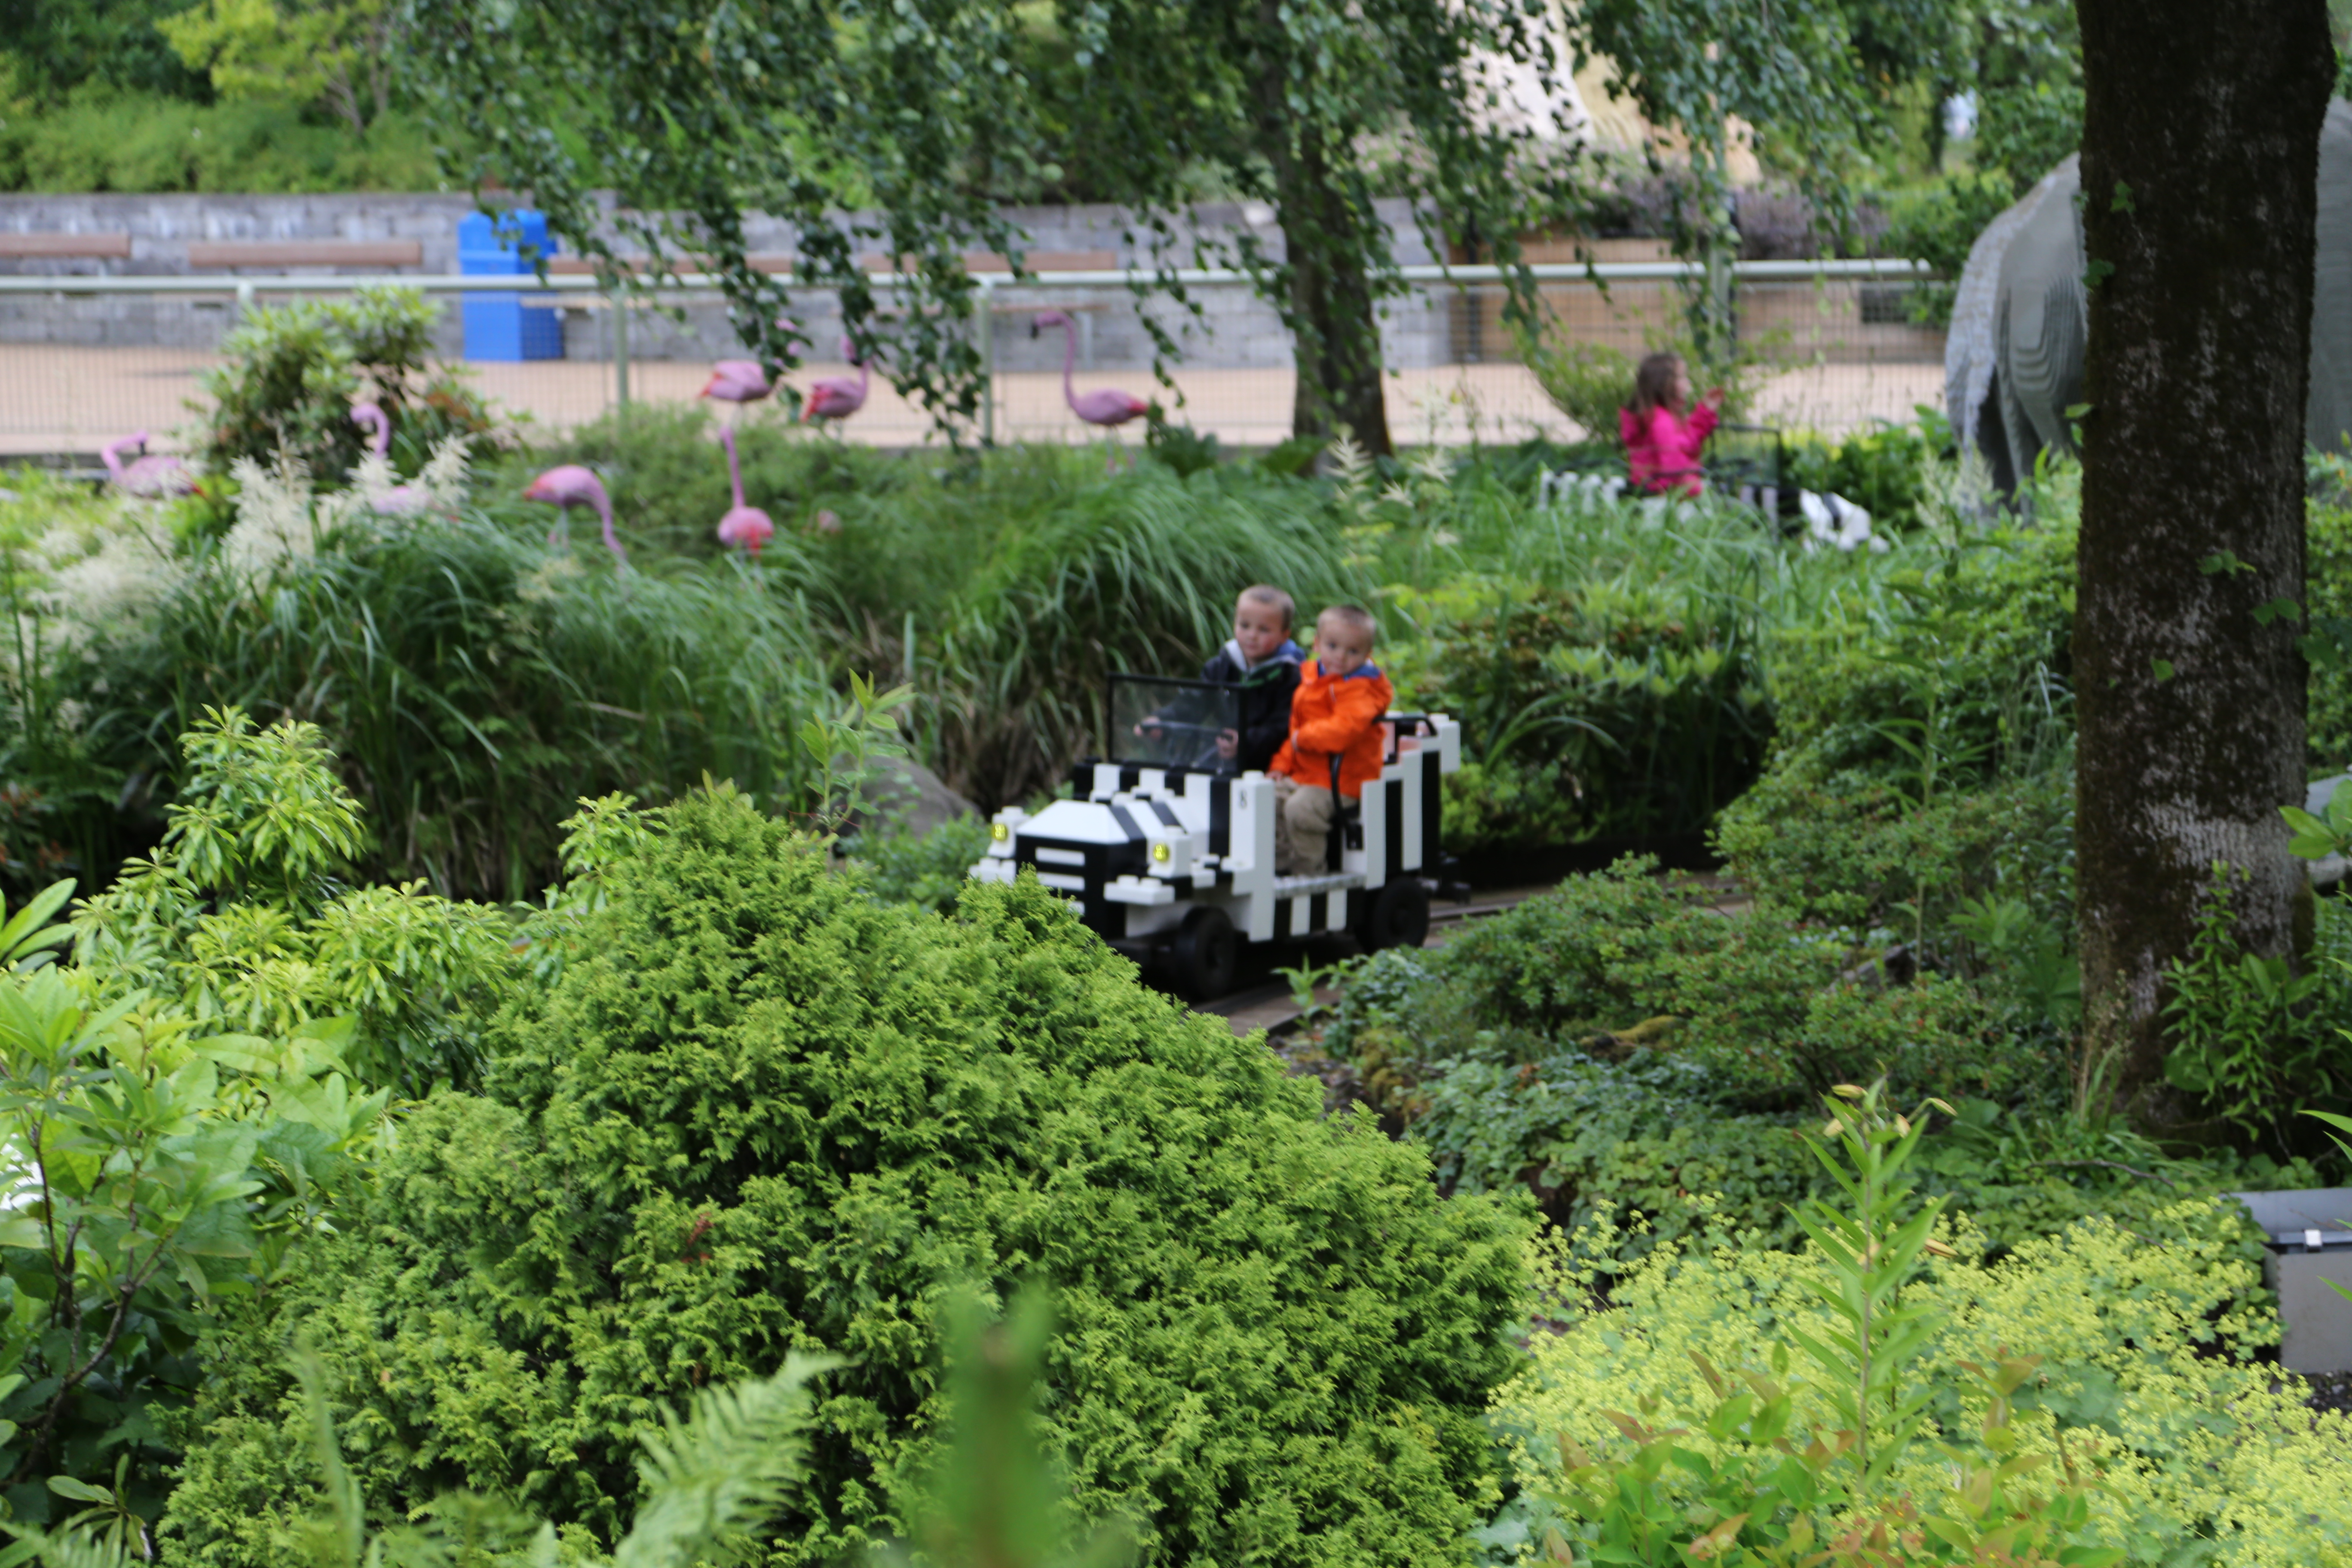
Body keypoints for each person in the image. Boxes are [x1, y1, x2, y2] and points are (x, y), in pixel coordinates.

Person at [1269, 603, 1393, 876]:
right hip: (1306, 774)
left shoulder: (1360, 690)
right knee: (1267, 800)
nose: (1340, 657)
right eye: (1333, 646)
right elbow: (1295, 732)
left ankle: (1309, 873)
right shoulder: (1312, 679)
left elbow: (1342, 730)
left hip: (1344, 780)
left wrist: (1305, 738)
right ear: (1317, 643)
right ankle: (1279, 865)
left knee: (1301, 811)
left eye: (1353, 651)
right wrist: (1281, 765)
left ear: (1367, 655)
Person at [1620, 351, 1725, 497]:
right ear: (1664, 383)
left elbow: (1684, 444)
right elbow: (1675, 471)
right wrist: (1699, 490)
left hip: (1654, 493)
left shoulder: (1660, 416)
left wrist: (1705, 413)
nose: (1688, 382)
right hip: (1666, 499)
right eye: (1682, 377)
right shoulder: (1662, 422)